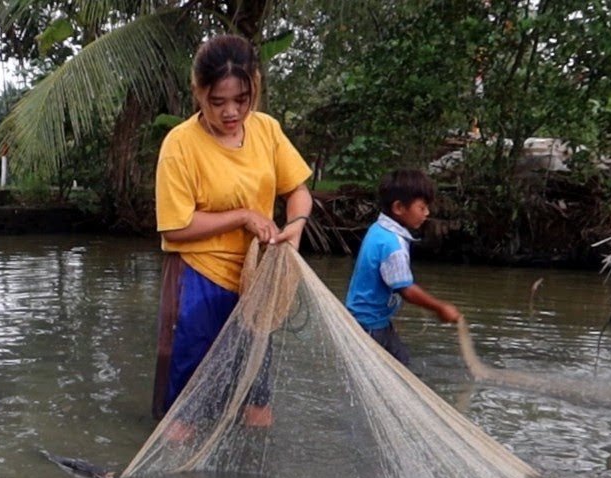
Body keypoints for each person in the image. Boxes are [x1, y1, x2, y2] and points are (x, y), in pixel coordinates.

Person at [152, 34, 313, 422]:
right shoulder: (180, 145)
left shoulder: (266, 130)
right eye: (217, 101)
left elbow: (299, 192)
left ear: (254, 88)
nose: (230, 113)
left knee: (257, 403)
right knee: (186, 408)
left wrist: (295, 225)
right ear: (198, 91)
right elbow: (175, 228)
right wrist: (242, 216)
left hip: (255, 284)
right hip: (199, 283)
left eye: (241, 100)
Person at [344, 169, 460, 367]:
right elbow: (405, 289)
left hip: (371, 321)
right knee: (392, 372)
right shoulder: (392, 244)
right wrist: (440, 307)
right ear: (398, 207)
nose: (427, 214)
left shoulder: (378, 229)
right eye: (422, 208)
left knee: (401, 363)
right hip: (370, 327)